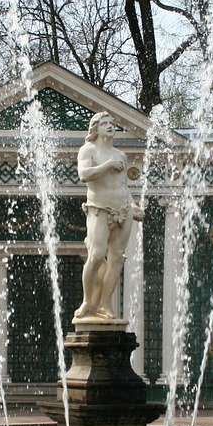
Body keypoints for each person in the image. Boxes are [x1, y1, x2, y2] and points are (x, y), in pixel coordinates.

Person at [73, 111, 143, 322]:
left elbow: (122, 185)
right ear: (96, 128)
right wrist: (107, 166)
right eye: (104, 123)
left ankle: (103, 304)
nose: (110, 126)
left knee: (116, 259)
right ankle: (88, 302)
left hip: (123, 210)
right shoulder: (88, 150)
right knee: (95, 256)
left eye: (112, 123)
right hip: (99, 208)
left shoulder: (120, 155)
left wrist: (133, 205)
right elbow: (84, 175)